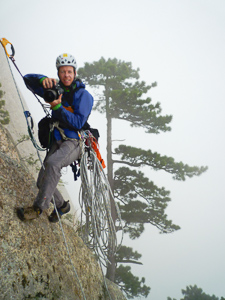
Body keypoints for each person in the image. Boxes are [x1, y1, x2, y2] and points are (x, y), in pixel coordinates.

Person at [17, 53, 94, 223]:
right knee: (41, 181)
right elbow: (27, 80)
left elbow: (78, 122)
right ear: (58, 73)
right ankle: (61, 206)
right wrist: (43, 79)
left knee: (53, 164)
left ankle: (37, 209)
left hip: (73, 141)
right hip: (56, 139)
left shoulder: (84, 96)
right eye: (63, 72)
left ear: (74, 73)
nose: (66, 75)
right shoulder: (55, 89)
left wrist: (58, 107)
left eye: (69, 72)